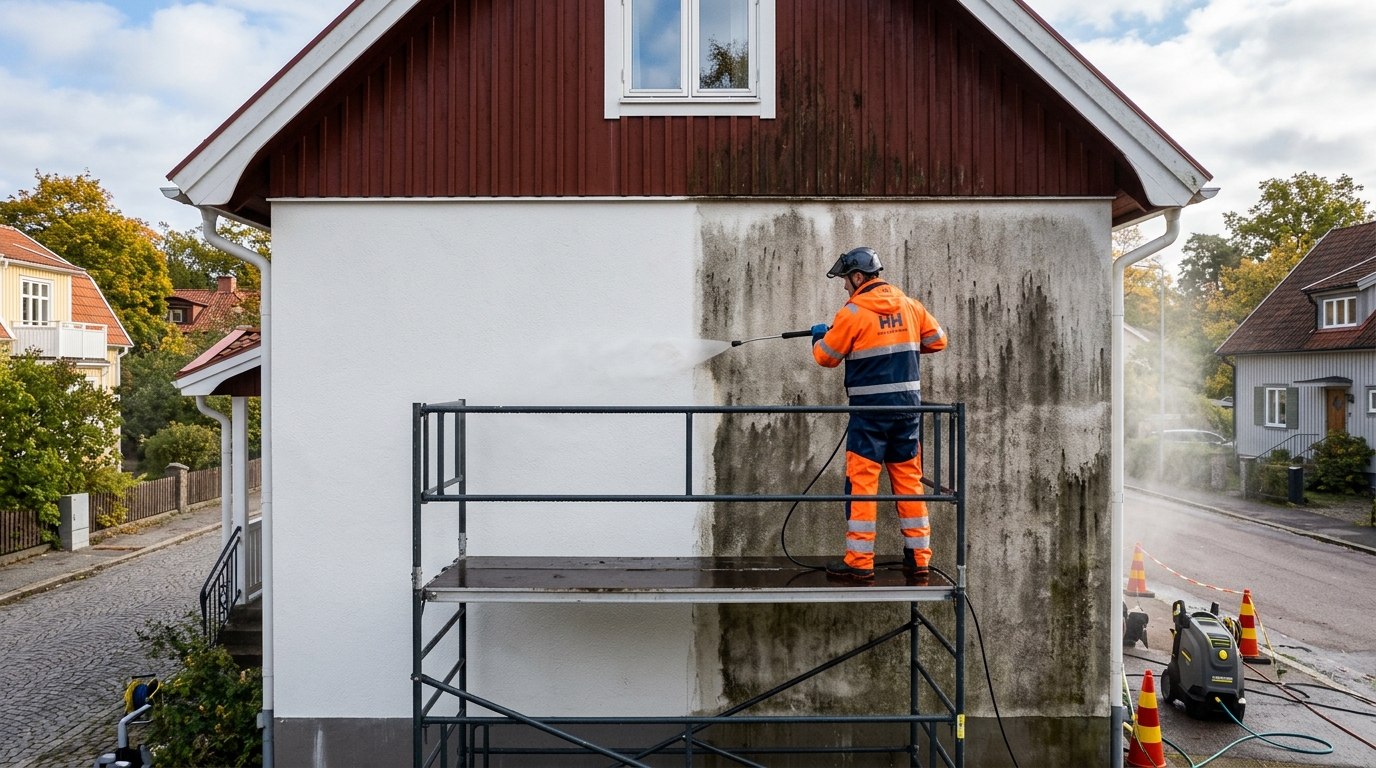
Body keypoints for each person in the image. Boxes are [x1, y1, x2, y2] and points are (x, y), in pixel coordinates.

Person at [811, 247, 947, 581]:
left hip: (869, 418)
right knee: (908, 483)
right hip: (907, 414)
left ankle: (860, 562)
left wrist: (819, 335)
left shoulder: (853, 312)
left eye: (845, 280)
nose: (845, 286)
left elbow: (826, 357)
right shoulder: (910, 306)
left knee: (862, 485)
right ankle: (918, 559)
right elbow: (938, 341)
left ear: (858, 277)